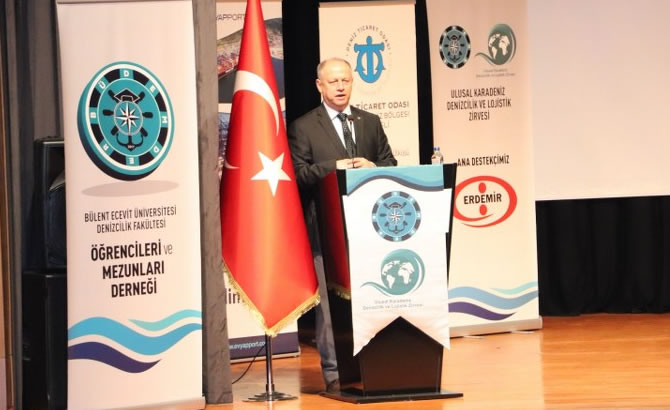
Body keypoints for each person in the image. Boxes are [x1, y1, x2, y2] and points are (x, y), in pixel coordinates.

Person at [287, 57, 397, 392]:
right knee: (329, 308)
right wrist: (334, 167)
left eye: (345, 81)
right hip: (324, 230)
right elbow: (298, 175)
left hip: (368, 229)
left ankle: (373, 366)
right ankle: (335, 374)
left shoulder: (370, 122)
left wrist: (372, 166)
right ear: (319, 86)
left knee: (372, 298)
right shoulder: (304, 127)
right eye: (333, 81)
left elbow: (390, 163)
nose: (340, 87)